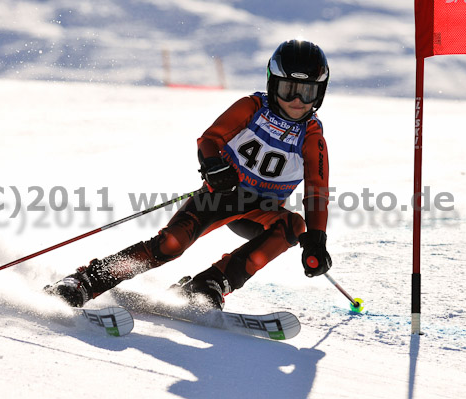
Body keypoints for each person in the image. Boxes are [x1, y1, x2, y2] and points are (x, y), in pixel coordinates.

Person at [45, 39, 333, 309]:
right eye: (288, 89)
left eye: (307, 92)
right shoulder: (252, 107)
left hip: (262, 211)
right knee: (170, 244)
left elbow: (316, 192)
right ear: (273, 84)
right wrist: (213, 166)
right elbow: (210, 140)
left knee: (294, 226)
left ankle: (210, 284)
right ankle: (87, 281)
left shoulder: (311, 137)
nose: (297, 100)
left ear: (319, 93)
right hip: (222, 196)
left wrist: (317, 239)